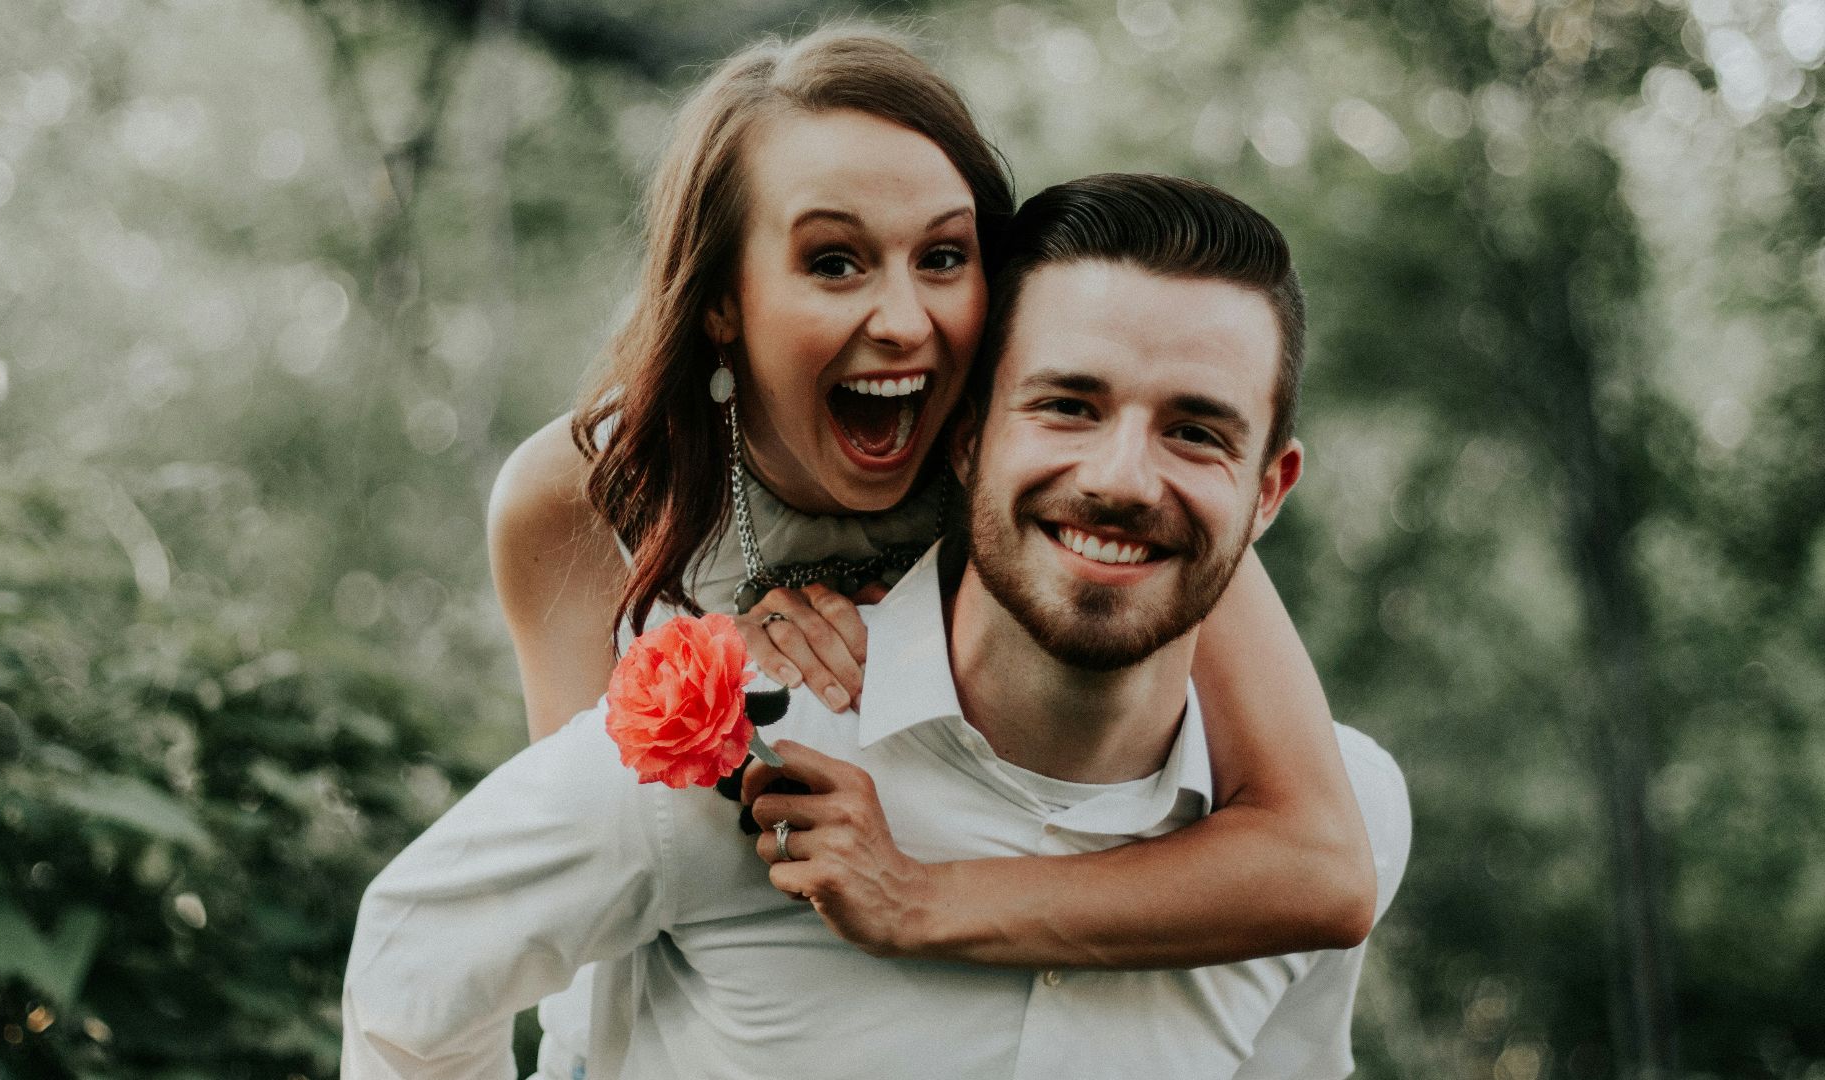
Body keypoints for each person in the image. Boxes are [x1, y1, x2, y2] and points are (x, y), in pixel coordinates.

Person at [343, 173, 1411, 1080]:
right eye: (1067, 406)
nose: (1121, 478)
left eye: (1195, 430)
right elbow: (411, 971)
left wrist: (922, 899)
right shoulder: (735, 757)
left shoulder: (1343, 811)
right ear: (963, 437)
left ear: (1270, 491)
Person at [485, 27, 1375, 994]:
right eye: (834, 263)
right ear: (720, 301)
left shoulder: (1075, 482)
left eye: (945, 257)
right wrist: (729, 683)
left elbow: (1319, 863)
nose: (906, 320)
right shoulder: (575, 498)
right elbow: (584, 881)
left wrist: (920, 899)